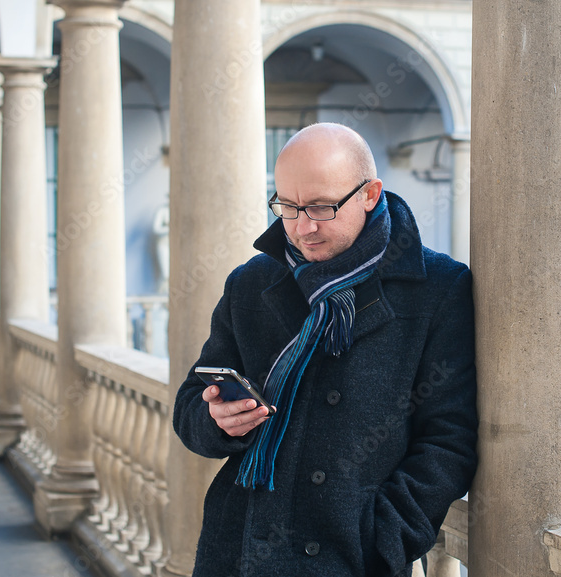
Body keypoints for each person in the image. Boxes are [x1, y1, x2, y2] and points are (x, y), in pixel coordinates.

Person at [173, 123, 477, 577]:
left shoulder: (437, 289)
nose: (302, 227)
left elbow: (449, 441)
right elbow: (189, 405)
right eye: (287, 207)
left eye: (321, 207)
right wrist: (217, 421)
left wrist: (381, 538)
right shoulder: (251, 283)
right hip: (236, 551)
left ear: (370, 194)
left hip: (348, 559)